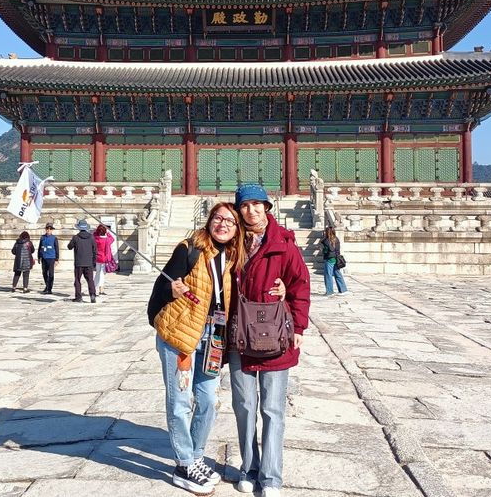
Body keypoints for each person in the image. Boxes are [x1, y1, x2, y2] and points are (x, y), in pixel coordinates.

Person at [148, 202, 244, 495]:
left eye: (229, 220)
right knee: (179, 402)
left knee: (208, 401)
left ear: (237, 228)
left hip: (213, 339)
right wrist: (171, 290)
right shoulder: (188, 248)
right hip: (181, 337)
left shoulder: (233, 257)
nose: (223, 224)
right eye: (218, 218)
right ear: (209, 220)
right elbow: (162, 285)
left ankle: (196, 456)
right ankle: (185, 464)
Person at [229, 184, 311, 497]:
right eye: (245, 205)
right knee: (245, 406)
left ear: (267, 207)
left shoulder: (284, 246)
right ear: (239, 211)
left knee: (273, 409)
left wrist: (299, 326)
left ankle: (272, 477)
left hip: (276, 335)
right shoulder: (230, 245)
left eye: (257, 204)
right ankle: (249, 468)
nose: (252, 210)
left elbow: (301, 285)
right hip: (240, 336)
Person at [67, 219, 97, 303]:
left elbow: (69, 247)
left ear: (79, 228)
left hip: (79, 263)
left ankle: (78, 297)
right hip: (89, 263)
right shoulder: (91, 237)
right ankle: (92, 295)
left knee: (77, 280)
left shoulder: (76, 237)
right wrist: (93, 262)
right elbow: (95, 251)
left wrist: (72, 241)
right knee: (90, 280)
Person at [320, 226, 348, 296]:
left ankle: (330, 291)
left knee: (328, 275)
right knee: (337, 274)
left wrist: (322, 250)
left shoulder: (326, 240)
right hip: (336, 258)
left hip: (329, 259)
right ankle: (343, 289)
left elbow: (326, 250)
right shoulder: (336, 239)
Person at [93, 224, 115, 295]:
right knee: (102, 274)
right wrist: (108, 233)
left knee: (98, 272)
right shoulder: (106, 240)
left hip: (97, 258)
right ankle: (100, 289)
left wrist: (96, 231)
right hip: (104, 258)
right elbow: (112, 239)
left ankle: (94, 287)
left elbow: (94, 234)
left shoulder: (95, 238)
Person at [38, 223, 59, 294]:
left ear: (52, 230)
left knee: (51, 273)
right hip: (44, 257)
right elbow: (40, 247)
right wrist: (39, 257)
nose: (48, 230)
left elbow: (57, 248)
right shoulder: (42, 237)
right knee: (44, 273)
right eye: (47, 229)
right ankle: (47, 285)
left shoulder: (54, 238)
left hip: (51, 257)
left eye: (50, 229)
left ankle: (49, 288)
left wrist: (57, 259)